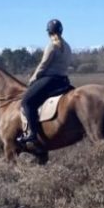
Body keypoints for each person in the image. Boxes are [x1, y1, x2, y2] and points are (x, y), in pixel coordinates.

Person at [16, 19, 73, 148]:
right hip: (64, 81)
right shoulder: (68, 46)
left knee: (27, 102)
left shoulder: (52, 45)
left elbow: (43, 65)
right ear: (61, 31)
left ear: (48, 32)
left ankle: (33, 134)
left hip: (51, 80)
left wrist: (33, 78)